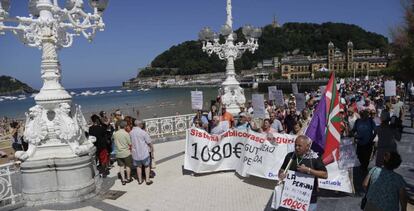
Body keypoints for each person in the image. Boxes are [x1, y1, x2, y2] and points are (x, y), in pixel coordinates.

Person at [278, 135, 328, 211]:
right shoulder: (290, 156)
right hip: (291, 197)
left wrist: (308, 170)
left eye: (299, 146)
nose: (296, 148)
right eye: (295, 145)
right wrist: (282, 174)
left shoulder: (314, 158)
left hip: (309, 199)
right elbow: (281, 170)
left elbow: (325, 175)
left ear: (307, 146)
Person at [352, 110, 377, 175]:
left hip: (368, 143)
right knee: (360, 156)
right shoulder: (358, 121)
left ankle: (364, 169)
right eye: (363, 115)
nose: (365, 116)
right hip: (359, 142)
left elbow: (376, 131)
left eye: (366, 115)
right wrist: (353, 135)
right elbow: (354, 130)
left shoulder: (371, 121)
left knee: (366, 157)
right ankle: (363, 167)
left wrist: (372, 138)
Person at [130, 120, 154, 185]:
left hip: (135, 153)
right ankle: (147, 180)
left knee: (138, 167)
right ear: (140, 124)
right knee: (147, 166)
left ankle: (140, 180)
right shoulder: (143, 132)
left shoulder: (131, 132)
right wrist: (152, 149)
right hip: (144, 153)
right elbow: (149, 142)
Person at [113, 120, 133, 185]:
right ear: (124, 126)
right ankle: (128, 178)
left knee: (121, 167)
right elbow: (130, 143)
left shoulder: (115, 134)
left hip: (118, 153)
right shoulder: (126, 134)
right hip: (126, 152)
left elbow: (114, 141)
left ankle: (123, 180)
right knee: (128, 166)